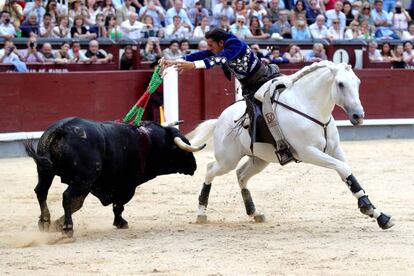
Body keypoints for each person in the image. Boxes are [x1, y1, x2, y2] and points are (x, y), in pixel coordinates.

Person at [161, 28, 281, 100]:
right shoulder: (220, 47)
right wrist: (176, 61)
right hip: (249, 87)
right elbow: (201, 55)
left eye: (211, 45)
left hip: (264, 79)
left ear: (221, 43)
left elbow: (221, 59)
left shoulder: (235, 44)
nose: (209, 48)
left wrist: (193, 65)